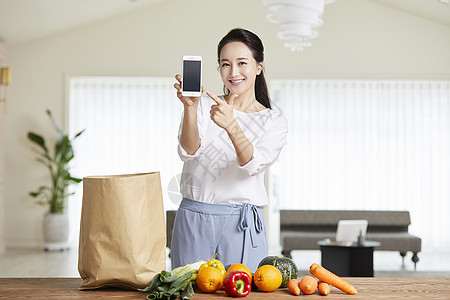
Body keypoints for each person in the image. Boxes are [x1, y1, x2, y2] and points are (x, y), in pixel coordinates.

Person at [171, 28, 288, 272]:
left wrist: (232, 125)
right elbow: (188, 152)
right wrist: (191, 107)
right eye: (225, 64)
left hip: (241, 225)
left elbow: (253, 164)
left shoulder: (273, 121)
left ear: (258, 66)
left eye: (242, 63)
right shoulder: (204, 104)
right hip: (194, 217)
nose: (233, 72)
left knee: (242, 292)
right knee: (187, 290)